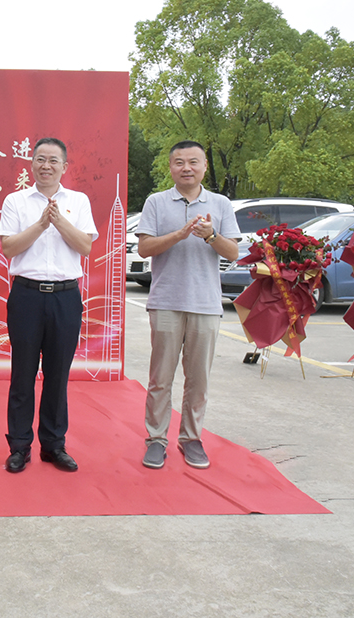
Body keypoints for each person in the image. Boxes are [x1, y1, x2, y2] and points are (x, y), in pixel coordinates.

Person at [135, 140, 241, 470]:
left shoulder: (220, 204)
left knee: (198, 379)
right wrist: (178, 235)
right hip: (166, 301)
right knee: (161, 377)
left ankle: (192, 438)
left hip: (205, 303)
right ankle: (156, 439)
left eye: (193, 162)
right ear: (170, 167)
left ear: (205, 166)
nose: (186, 168)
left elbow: (233, 252)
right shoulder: (156, 202)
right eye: (179, 162)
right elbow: (144, 249)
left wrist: (211, 235)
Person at [0, 137, 98, 473]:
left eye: (54, 160)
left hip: (66, 297)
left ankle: (54, 445)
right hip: (26, 295)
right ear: (31, 164)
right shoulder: (16, 201)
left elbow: (85, 246)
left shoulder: (78, 201)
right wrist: (41, 224)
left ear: (64, 166)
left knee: (57, 375)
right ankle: (19, 446)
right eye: (40, 159)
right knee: (22, 374)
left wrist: (58, 220)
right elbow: (9, 248)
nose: (46, 166)